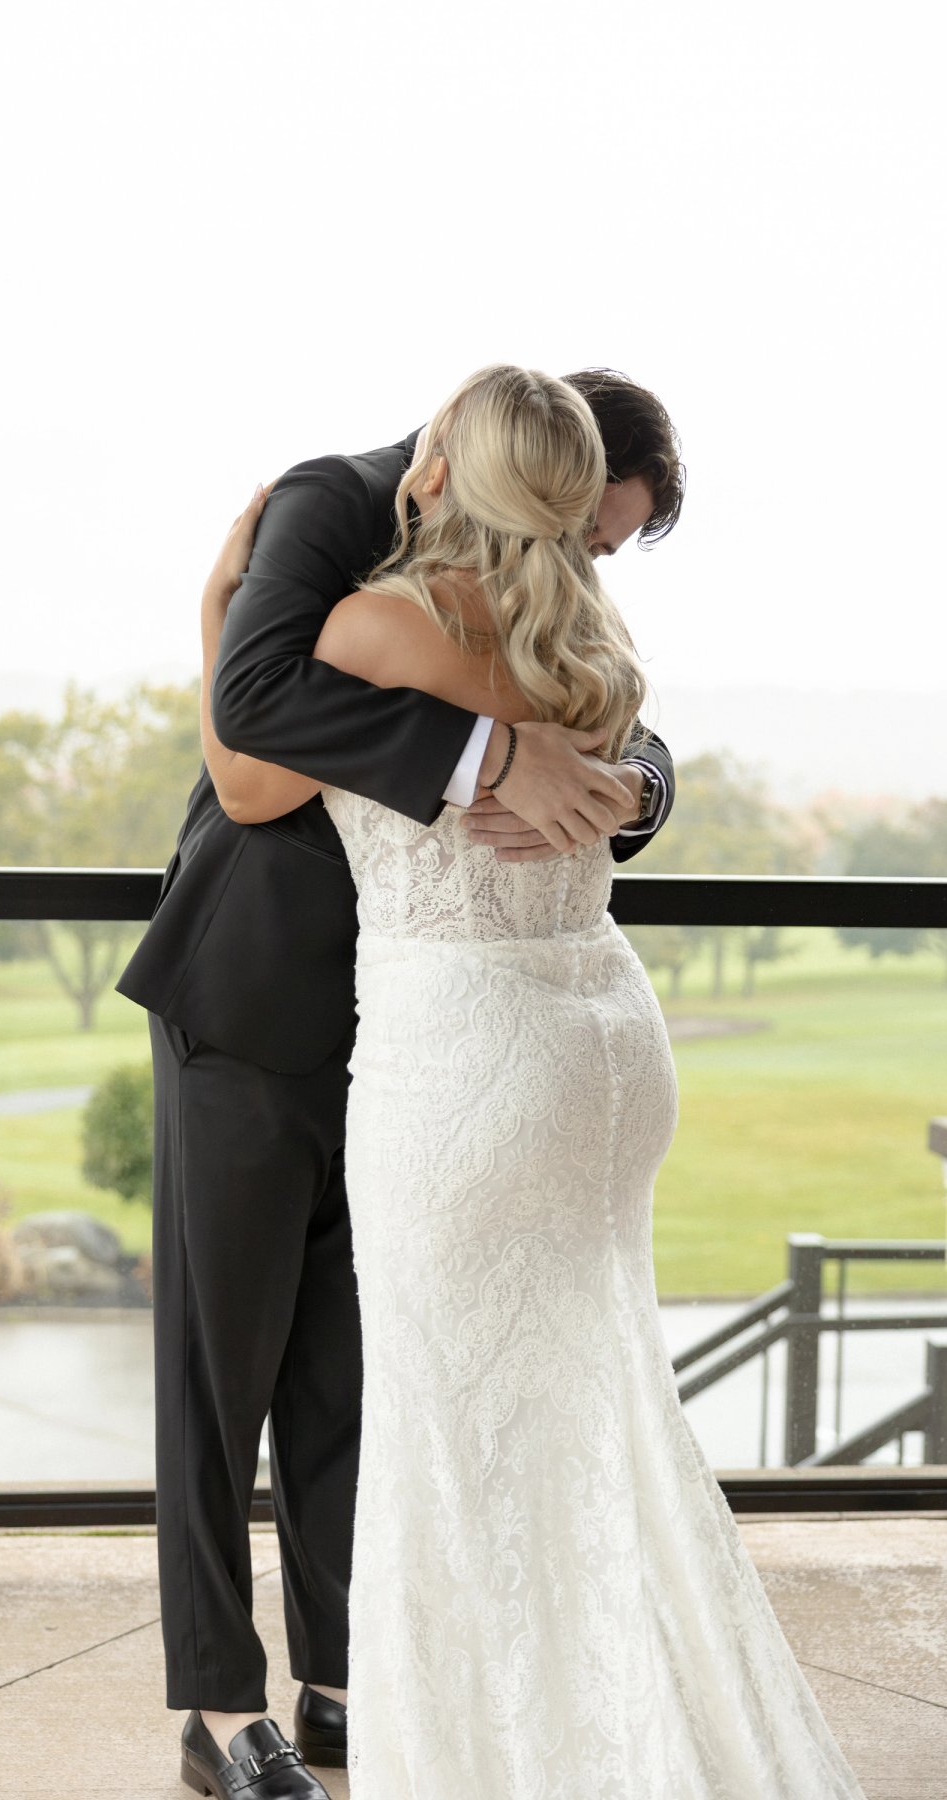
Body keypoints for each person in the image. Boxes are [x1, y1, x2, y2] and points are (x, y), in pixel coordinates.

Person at [196, 364, 867, 1799]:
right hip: (605, 1046)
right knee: (599, 1410)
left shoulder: (376, 623)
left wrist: (212, 615)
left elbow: (250, 771)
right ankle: (629, 1725)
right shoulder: (600, 639)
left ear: (449, 464)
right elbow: (624, 768)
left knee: (448, 1435)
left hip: (467, 1063)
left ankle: (486, 1758)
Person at [115, 369, 684, 1800]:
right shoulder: (329, 506)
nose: (584, 566)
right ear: (513, 467)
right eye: (581, 534)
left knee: (346, 1382)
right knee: (216, 1375)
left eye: (597, 550)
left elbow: (613, 719)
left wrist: (622, 779)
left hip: (420, 1044)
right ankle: (215, 1711)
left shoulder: (523, 583)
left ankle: (339, 1683)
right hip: (253, 1005)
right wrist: (487, 749)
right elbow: (252, 724)